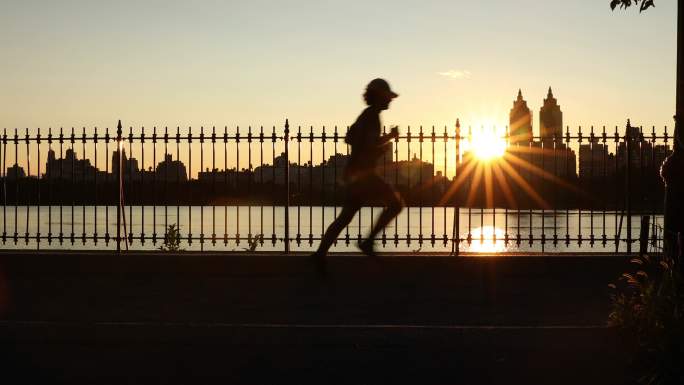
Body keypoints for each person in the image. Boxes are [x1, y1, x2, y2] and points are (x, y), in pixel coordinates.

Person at [311, 78, 405, 272]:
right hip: (364, 175)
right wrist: (388, 140)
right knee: (396, 204)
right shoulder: (371, 116)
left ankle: (320, 254)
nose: (390, 101)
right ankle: (368, 242)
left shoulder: (367, 115)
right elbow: (368, 146)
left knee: (345, 216)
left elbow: (351, 138)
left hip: (355, 174)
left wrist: (382, 141)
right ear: (379, 97)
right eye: (387, 97)